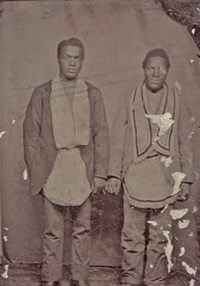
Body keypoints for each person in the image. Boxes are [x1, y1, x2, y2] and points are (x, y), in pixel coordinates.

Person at [23, 38, 109, 286]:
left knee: (82, 228)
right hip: (53, 165)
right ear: (58, 59)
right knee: (53, 229)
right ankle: (51, 278)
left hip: (82, 165)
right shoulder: (43, 92)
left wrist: (100, 172)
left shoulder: (92, 93)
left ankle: (79, 278)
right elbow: (31, 135)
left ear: (82, 61)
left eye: (76, 58)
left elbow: (101, 134)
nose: (72, 62)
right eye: (67, 57)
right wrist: (38, 169)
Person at [108, 48, 194, 286]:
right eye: (151, 68)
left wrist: (185, 179)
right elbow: (117, 136)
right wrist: (114, 174)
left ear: (167, 70)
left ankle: (155, 281)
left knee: (159, 238)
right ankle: (130, 281)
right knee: (132, 238)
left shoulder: (177, 100)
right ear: (143, 69)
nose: (156, 72)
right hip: (135, 176)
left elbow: (185, 140)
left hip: (165, 178)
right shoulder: (130, 97)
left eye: (161, 68)